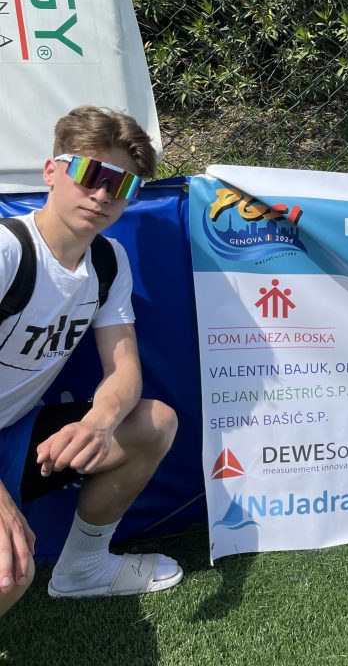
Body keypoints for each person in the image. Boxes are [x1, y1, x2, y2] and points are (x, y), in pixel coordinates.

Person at [0, 106, 180, 615]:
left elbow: (124, 370)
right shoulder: (8, 251)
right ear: (51, 171)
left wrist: (99, 423)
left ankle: (84, 568)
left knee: (153, 422)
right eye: (88, 173)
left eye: (121, 185)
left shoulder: (107, 261)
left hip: (14, 433)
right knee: (10, 575)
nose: (102, 194)